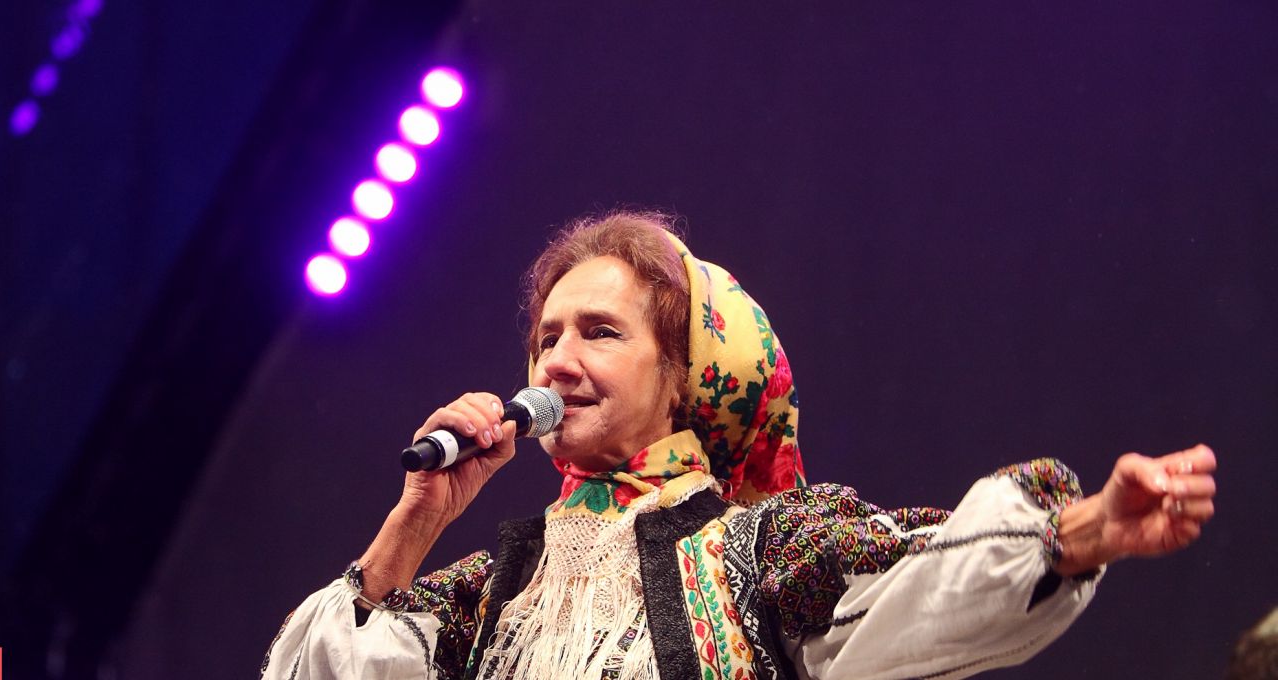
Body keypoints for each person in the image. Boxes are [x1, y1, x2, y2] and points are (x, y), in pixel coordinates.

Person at [260, 211, 1218, 680]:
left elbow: (928, 586)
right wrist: (416, 520)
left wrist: (1084, 530)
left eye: (600, 333)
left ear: (683, 375)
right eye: (547, 338)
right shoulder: (484, 594)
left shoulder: (765, 551)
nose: (558, 361)